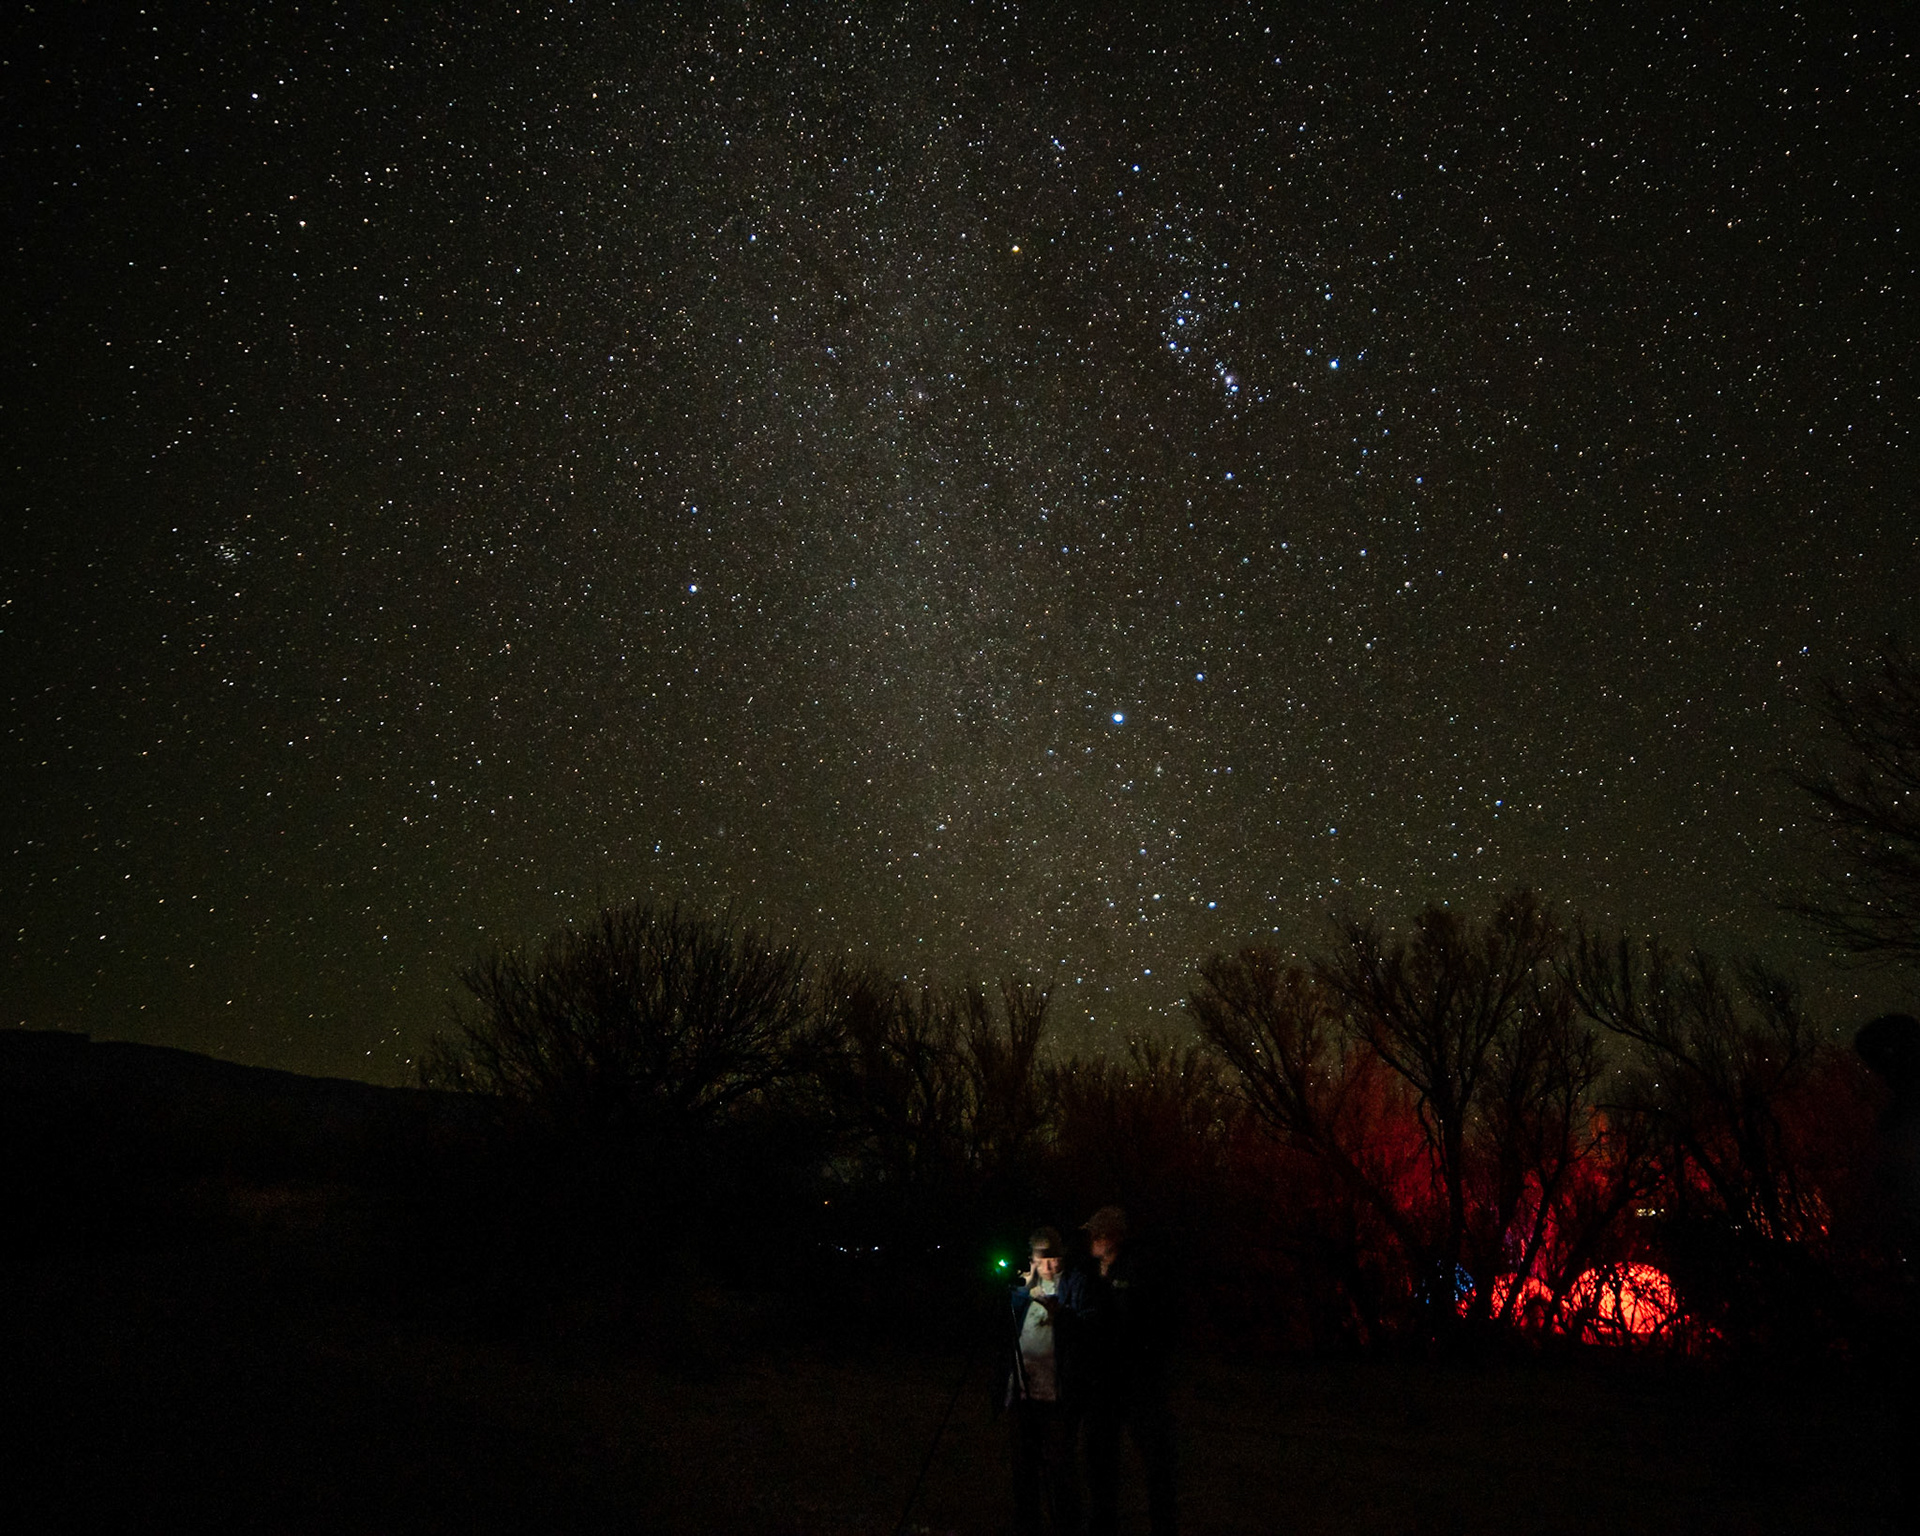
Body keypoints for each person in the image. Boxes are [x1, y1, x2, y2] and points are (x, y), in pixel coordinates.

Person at [1075, 1204, 1177, 1536]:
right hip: (1104, 1382)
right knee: (1099, 1454)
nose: (1092, 1239)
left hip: (1137, 1380)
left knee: (1154, 1456)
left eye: (1098, 1233)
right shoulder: (1093, 1273)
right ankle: (1103, 1520)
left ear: (1113, 1236)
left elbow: (1146, 1322)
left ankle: (1163, 1524)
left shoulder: (1138, 1269)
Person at [1006, 1226, 1083, 1536]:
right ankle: (1027, 1525)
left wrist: (1060, 1313)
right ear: (1033, 1259)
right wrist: (1021, 1290)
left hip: (1055, 1398)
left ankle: (1066, 1526)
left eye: (1055, 1258)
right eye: (1043, 1259)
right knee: (1023, 1470)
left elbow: (1085, 1331)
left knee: (1060, 1470)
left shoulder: (1073, 1286)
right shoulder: (1024, 1291)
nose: (1050, 1265)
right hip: (1023, 1393)